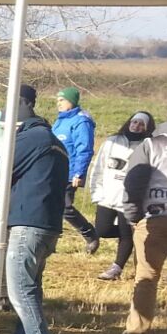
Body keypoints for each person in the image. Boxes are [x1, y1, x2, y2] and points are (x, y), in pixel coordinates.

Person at [0, 100, 70, 334]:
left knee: (20, 290)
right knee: (31, 287)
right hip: (47, 224)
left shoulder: (31, 138)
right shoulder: (54, 141)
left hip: (27, 223)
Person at [120, 96, 167, 334]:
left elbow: (133, 181)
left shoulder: (151, 144)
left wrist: (133, 216)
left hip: (155, 217)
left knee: (147, 278)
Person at [92, 112, 155, 281]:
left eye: (141, 124)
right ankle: (132, 236)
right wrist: (97, 192)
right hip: (107, 196)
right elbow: (99, 168)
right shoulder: (112, 141)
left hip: (129, 199)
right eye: (134, 122)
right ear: (129, 122)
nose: (136, 126)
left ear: (147, 128)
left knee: (126, 234)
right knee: (102, 230)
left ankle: (116, 268)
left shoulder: (148, 146)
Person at [51, 86, 99, 253]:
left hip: (69, 171)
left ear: (72, 101)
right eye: (57, 100)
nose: (59, 103)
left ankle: (90, 234)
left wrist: (79, 173)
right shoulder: (60, 120)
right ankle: (51, 241)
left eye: (62, 100)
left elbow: (84, 149)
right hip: (54, 170)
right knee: (52, 206)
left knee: (65, 207)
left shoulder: (81, 122)